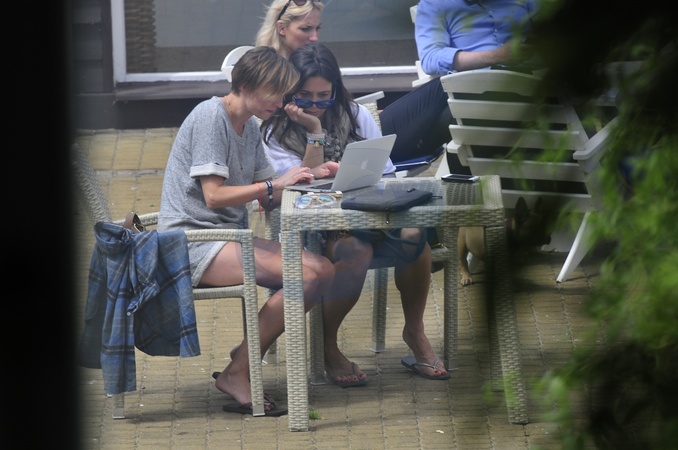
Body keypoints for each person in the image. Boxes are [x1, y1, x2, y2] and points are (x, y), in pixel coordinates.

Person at [157, 46, 336, 415]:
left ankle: (243, 357)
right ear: (248, 85)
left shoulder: (250, 125)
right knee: (307, 275)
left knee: (323, 270)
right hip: (189, 242)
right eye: (275, 94)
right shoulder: (211, 117)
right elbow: (214, 196)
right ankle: (239, 370)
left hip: (226, 237)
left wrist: (309, 174)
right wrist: (272, 185)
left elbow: (269, 197)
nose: (280, 103)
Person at [262, 43, 451, 385]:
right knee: (356, 252)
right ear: (289, 91)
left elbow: (386, 171)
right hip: (315, 226)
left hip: (370, 210)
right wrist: (314, 132)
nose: (316, 105)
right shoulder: (275, 130)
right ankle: (329, 346)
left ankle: (415, 331)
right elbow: (296, 187)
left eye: (324, 96)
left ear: (336, 90)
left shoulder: (354, 114)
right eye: (305, 96)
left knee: (414, 235)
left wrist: (358, 176)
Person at [406, 0, 538, 172]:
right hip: (472, 90)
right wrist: (495, 56)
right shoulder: (436, 3)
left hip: (532, 84)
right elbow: (431, 58)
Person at [255, 0, 324, 58]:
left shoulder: (320, 64)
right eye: (305, 29)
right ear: (282, 28)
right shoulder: (256, 66)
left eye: (317, 28)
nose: (315, 38)